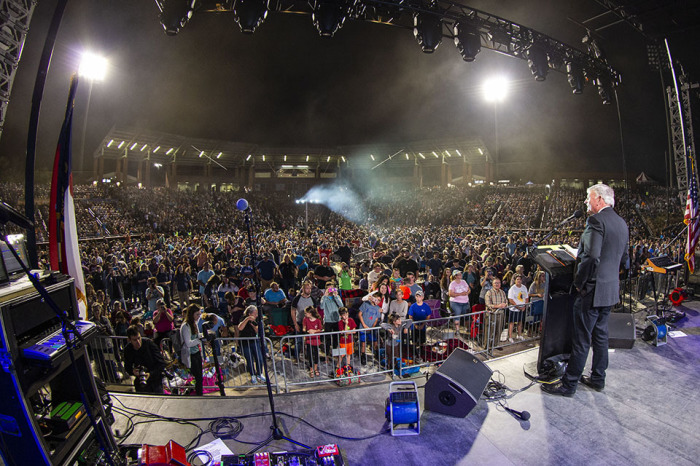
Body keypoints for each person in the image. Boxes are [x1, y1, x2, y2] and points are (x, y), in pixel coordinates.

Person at [543, 183, 629, 397]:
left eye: (587, 197)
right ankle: (598, 379)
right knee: (601, 336)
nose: (585, 202)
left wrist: (580, 283)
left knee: (581, 340)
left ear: (599, 199)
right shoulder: (621, 223)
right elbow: (625, 259)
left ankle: (568, 385)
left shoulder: (596, 221)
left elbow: (591, 256)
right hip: (609, 291)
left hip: (591, 291)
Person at [123, 325, 166, 394]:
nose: (138, 342)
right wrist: (133, 371)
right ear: (129, 340)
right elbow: (127, 366)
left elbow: (161, 363)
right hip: (141, 383)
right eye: (134, 340)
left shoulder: (149, 344)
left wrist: (150, 374)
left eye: (139, 338)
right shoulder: (128, 350)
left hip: (155, 381)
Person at [180, 304, 204, 396]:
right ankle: (198, 394)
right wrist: (199, 340)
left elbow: (197, 335)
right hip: (191, 355)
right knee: (197, 377)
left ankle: (199, 393)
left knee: (199, 377)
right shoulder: (186, 326)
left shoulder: (194, 323)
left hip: (197, 352)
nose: (199, 316)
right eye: (197, 314)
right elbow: (188, 343)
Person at [238, 305, 266, 384]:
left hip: (254, 340)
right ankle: (252, 374)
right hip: (245, 342)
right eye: (255, 313)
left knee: (259, 358)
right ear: (249, 313)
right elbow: (240, 328)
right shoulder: (243, 318)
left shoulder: (256, 320)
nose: (256, 315)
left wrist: (254, 326)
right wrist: (247, 319)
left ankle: (260, 373)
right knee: (249, 359)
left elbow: (257, 331)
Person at [407, 289, 431, 362]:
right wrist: (415, 325)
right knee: (414, 340)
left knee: (421, 341)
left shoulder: (426, 306)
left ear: (422, 297)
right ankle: (414, 354)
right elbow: (410, 316)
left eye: (420, 296)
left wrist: (423, 324)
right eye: (417, 296)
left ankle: (421, 353)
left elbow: (428, 315)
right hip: (414, 326)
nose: (418, 298)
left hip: (422, 327)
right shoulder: (413, 306)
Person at [506, 274, 528, 342]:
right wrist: (518, 307)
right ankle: (510, 337)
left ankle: (519, 335)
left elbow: (526, 297)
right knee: (512, 323)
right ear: (515, 280)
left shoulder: (524, 287)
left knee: (520, 322)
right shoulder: (512, 288)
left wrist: (524, 306)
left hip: (522, 308)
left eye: (520, 279)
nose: (519, 281)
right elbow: (510, 300)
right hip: (514, 309)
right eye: (517, 279)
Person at [302, 306, 323, 377]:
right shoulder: (305, 319)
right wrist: (305, 330)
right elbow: (304, 327)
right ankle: (311, 369)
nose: (305, 314)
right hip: (308, 340)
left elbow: (320, 329)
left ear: (310, 313)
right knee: (310, 355)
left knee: (316, 354)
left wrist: (314, 331)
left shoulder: (318, 320)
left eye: (306, 313)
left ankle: (316, 368)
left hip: (316, 340)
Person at [448, 270, 470, 334]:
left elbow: (469, 290)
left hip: (465, 301)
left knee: (466, 315)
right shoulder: (452, 283)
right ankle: (457, 330)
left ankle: (467, 328)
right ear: (456, 276)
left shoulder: (464, 281)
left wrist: (467, 293)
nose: (461, 275)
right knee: (457, 314)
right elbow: (450, 294)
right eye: (459, 274)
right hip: (456, 302)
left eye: (461, 274)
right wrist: (460, 294)